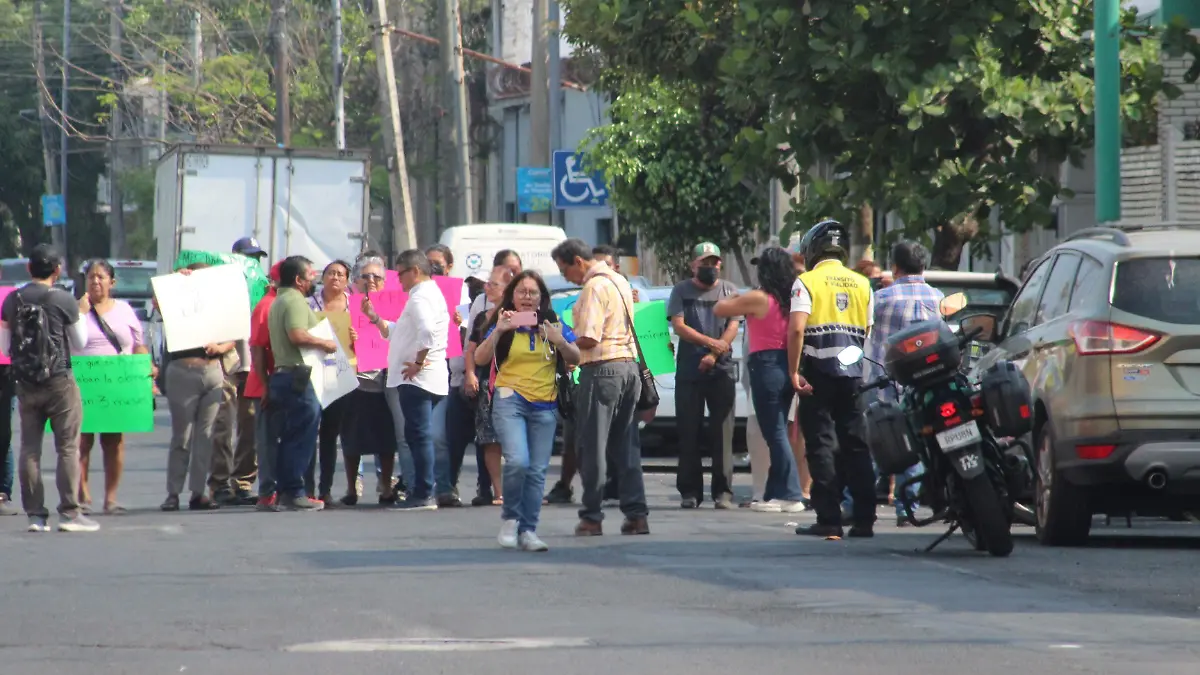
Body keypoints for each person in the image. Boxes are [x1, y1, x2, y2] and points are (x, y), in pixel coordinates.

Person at [475, 271, 581, 551]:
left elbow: (577, 357)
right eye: (521, 292)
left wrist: (559, 340)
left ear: (541, 299)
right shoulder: (503, 322)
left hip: (545, 405)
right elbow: (480, 358)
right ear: (512, 296)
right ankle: (510, 519)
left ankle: (528, 530)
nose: (527, 297)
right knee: (518, 461)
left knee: (537, 471)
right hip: (510, 399)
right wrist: (498, 330)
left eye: (533, 293)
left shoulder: (553, 323)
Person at [552, 238, 650, 536]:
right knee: (626, 445)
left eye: (564, 269)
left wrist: (560, 342)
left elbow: (590, 339)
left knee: (591, 446)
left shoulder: (594, 287)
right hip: (629, 369)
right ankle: (636, 514)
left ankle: (591, 517)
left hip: (602, 370)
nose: (565, 276)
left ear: (578, 262)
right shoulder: (619, 280)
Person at [787, 220, 877, 538]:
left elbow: (797, 328)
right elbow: (867, 331)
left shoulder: (806, 282)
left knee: (821, 444)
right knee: (856, 445)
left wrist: (793, 370)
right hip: (853, 373)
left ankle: (829, 518)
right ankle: (865, 519)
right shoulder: (863, 284)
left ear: (812, 250)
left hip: (816, 372)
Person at [0, 244, 98, 532]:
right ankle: (69, 513)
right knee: (67, 447)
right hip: (59, 381)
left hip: (26, 382)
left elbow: (5, 347)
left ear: (29, 268)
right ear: (57, 270)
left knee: (29, 448)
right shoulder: (63, 300)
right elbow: (80, 342)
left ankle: (36, 516)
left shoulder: (12, 300)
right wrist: (80, 312)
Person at [715, 247, 806, 513]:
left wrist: (734, 294)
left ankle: (790, 493)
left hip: (765, 365)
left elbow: (721, 308)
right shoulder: (793, 299)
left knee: (774, 432)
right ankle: (776, 493)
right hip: (787, 362)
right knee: (780, 430)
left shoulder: (758, 297)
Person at [862, 240, 943, 527]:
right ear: (924, 266)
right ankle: (905, 507)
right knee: (916, 442)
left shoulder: (881, 299)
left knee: (874, 444)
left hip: (883, 384)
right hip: (924, 386)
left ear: (894, 267)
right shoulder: (937, 298)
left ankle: (856, 504)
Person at [364, 249, 449, 511]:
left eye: (400, 273)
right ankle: (424, 490)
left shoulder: (420, 297)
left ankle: (423, 492)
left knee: (418, 435)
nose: (397, 280)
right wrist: (375, 319)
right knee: (419, 435)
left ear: (415, 271)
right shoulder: (428, 294)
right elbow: (399, 332)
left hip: (417, 379)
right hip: (429, 378)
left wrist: (418, 363)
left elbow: (426, 333)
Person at [73, 259, 156, 515]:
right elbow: (64, 343)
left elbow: (138, 345)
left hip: (116, 385)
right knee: (81, 442)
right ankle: (81, 492)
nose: (95, 281)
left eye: (100, 277)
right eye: (91, 277)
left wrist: (147, 372)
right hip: (84, 384)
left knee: (114, 442)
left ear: (112, 282)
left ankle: (111, 497)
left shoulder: (124, 310)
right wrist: (79, 313)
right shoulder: (76, 309)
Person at [668, 242, 740, 509]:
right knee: (689, 432)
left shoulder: (730, 291)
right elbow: (679, 326)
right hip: (689, 370)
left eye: (714, 262)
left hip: (720, 369)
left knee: (723, 434)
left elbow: (733, 324)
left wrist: (715, 353)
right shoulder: (681, 290)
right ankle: (690, 492)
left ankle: (723, 493)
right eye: (705, 262)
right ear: (693, 265)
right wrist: (712, 344)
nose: (710, 267)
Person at [160, 262, 236, 512]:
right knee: (182, 436)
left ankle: (198, 492)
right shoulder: (177, 301)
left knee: (206, 435)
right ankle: (173, 493)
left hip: (212, 371)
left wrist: (220, 348)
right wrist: (176, 280)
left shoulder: (218, 304)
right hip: (183, 371)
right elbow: (159, 300)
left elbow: (233, 336)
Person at [267, 255, 338, 511]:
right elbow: (297, 335)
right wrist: (325, 343)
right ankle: (295, 491)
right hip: (299, 376)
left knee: (290, 436)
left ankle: (286, 490)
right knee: (301, 436)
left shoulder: (280, 299)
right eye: (310, 277)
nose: (313, 281)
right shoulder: (295, 301)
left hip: (285, 375)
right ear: (298, 280)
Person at [341, 256, 401, 506]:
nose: (371, 281)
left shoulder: (396, 306)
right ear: (355, 282)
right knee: (351, 436)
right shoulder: (345, 306)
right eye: (366, 276)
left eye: (377, 277)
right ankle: (351, 487)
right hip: (355, 379)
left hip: (386, 379)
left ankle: (386, 485)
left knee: (386, 437)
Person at [461, 265, 514, 507]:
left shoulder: (520, 315)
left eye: (493, 284)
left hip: (516, 382)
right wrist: (470, 374)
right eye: (487, 284)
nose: (486, 288)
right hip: (487, 382)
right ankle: (498, 490)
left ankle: (519, 487)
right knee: (489, 437)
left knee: (513, 436)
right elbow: (470, 350)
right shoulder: (483, 317)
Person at [305, 260, 356, 504]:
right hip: (313, 373)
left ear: (347, 280)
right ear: (322, 277)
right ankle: (307, 488)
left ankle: (325, 489)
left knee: (330, 434)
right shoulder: (308, 303)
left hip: (341, 375)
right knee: (308, 432)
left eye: (340, 274)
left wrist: (357, 337)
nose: (335, 277)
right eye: (331, 273)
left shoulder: (354, 306)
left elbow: (368, 342)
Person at [248, 261, 283, 510]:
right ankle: (267, 491)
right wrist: (265, 384)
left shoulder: (286, 303)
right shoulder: (267, 306)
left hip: (282, 381)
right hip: (267, 383)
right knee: (268, 440)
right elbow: (258, 349)